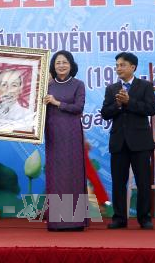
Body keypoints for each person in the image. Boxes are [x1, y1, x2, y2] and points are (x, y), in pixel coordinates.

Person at [100, 52, 155, 230]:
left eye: (122, 65)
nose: (118, 68)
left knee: (143, 182)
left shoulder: (145, 86)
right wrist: (117, 104)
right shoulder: (111, 89)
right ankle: (119, 218)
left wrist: (129, 101)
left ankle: (144, 218)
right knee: (118, 182)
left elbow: (150, 109)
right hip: (118, 142)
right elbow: (105, 113)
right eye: (116, 65)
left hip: (140, 141)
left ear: (133, 67)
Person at [43, 50, 88, 231]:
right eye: (58, 63)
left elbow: (78, 107)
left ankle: (76, 221)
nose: (61, 65)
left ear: (71, 65)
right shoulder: (47, 86)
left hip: (72, 134)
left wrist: (57, 103)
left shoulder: (78, 84)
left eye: (65, 62)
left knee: (73, 173)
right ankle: (57, 221)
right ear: (53, 66)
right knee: (56, 175)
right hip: (53, 132)